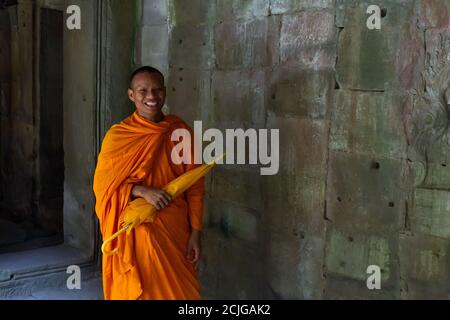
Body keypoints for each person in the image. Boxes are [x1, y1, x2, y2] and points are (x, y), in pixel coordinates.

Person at [93, 66, 204, 300]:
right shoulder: (119, 135)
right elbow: (104, 187)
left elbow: (195, 186)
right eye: (143, 91)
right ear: (131, 95)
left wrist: (195, 232)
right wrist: (141, 191)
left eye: (157, 90)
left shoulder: (179, 132)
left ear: (165, 92)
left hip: (175, 228)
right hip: (138, 230)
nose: (151, 97)